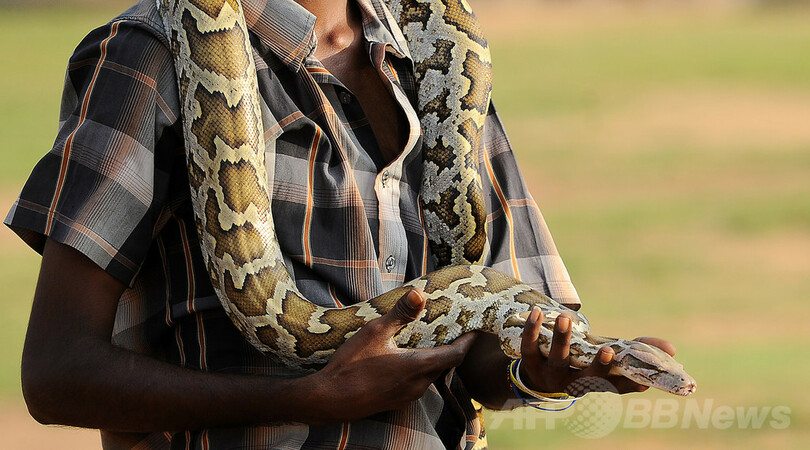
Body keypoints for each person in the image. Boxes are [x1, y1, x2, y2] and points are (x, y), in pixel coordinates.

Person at [6, 0, 675, 448]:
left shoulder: (441, 61)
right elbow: (59, 372)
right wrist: (311, 398)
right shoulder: (149, 52)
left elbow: (481, 349)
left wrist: (545, 370)